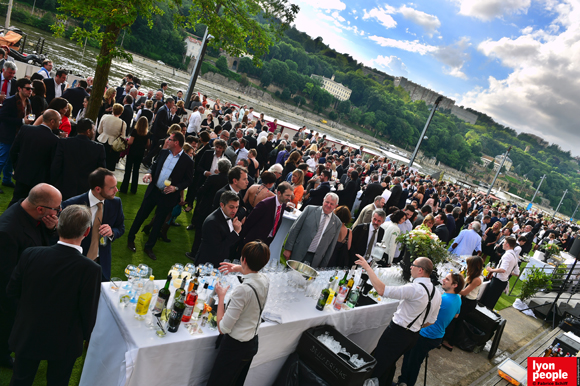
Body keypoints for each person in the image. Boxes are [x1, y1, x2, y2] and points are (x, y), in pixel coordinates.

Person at [7, 205, 101, 386]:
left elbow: (12, 292)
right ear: (87, 231)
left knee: (20, 380)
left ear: (58, 226)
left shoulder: (31, 254)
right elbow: (88, 312)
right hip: (65, 341)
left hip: (28, 332)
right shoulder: (91, 269)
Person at [354, 256, 441, 386]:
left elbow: (382, 290)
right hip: (412, 336)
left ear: (421, 270)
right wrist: (414, 326)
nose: (410, 267)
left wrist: (368, 268)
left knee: (378, 365)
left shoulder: (415, 288)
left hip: (397, 333)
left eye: (414, 265)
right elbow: (431, 321)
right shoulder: (437, 292)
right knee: (390, 363)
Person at [0, 183, 60, 369]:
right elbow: (6, 278)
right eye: (57, 208)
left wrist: (51, 230)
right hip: (13, 295)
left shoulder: (35, 215)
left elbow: (44, 246)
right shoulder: (7, 231)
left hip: (28, 284)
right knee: (7, 325)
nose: (59, 212)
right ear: (40, 208)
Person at [208, 241, 270, 386]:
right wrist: (238, 268)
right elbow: (254, 274)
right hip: (252, 342)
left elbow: (223, 328)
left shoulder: (243, 290)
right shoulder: (265, 279)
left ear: (244, 259)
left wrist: (221, 296)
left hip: (236, 347)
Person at [126, 132, 193, 261]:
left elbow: (189, 180)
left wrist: (176, 187)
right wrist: (149, 173)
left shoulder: (187, 161)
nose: (167, 140)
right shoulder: (163, 152)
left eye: (170, 139)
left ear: (176, 143)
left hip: (168, 196)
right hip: (153, 191)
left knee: (158, 223)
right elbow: (154, 165)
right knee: (141, 215)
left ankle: (149, 247)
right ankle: (130, 239)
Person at [397, 272, 463, 386]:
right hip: (437, 336)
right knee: (414, 360)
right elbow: (456, 315)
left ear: (454, 285)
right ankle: (403, 381)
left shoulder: (443, 299)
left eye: (447, 279)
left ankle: (404, 383)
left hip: (426, 335)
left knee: (411, 362)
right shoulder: (458, 298)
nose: (443, 280)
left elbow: (424, 312)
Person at [62, 168, 125, 280]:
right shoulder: (71, 205)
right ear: (98, 189)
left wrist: (112, 232)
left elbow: (120, 227)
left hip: (102, 263)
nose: (116, 190)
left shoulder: (116, 203)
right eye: (112, 188)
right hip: (76, 262)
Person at [50, 118, 106, 200]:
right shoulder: (98, 148)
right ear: (88, 131)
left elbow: (56, 166)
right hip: (86, 190)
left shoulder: (64, 143)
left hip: (64, 186)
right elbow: (101, 171)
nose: (94, 133)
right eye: (93, 130)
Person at [284, 193, 342, 267]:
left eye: (332, 204)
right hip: (298, 251)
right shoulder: (309, 210)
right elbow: (295, 229)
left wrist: (323, 265)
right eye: (327, 202)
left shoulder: (337, 223)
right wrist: (288, 248)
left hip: (315, 259)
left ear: (336, 206)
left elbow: (331, 246)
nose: (328, 205)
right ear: (323, 200)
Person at [185, 158, 231, 249]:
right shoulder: (229, 181)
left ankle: (194, 251)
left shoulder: (212, 178)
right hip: (219, 209)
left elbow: (201, 190)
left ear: (219, 167)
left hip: (206, 206)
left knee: (200, 230)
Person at [443, 255, 484, 350]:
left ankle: (450, 342)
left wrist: (451, 287)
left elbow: (465, 292)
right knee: (455, 320)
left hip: (468, 302)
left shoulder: (477, 279)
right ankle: (447, 339)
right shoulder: (473, 274)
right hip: (465, 300)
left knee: (456, 321)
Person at [0, 77, 34, 192]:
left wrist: (29, 120)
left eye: (31, 89)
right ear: (19, 88)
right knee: (2, 159)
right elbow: (3, 117)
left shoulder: (28, 102)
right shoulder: (10, 101)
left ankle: (6, 179)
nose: (30, 91)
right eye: (28, 88)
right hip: (8, 134)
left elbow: (28, 115)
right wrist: (22, 121)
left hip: (19, 135)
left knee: (11, 158)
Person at [194, 190, 243, 266]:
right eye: (231, 207)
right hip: (207, 264)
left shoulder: (230, 216)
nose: (234, 210)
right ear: (222, 205)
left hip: (221, 262)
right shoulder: (212, 222)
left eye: (237, 207)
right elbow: (218, 249)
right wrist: (235, 232)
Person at [240, 182, 293, 246]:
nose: (289, 198)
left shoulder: (283, 205)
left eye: (290, 195)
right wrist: (243, 239)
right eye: (287, 195)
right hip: (254, 241)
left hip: (267, 241)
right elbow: (250, 221)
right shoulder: (265, 204)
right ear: (279, 193)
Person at [479, 236, 519, 310]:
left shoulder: (507, 255)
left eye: (504, 243)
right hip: (502, 282)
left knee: (487, 302)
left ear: (507, 244)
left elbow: (503, 269)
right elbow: (516, 273)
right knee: (491, 302)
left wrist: (491, 270)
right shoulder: (514, 256)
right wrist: (508, 271)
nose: (502, 244)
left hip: (497, 281)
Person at [120, 116, 150, 194]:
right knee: (136, 171)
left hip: (132, 152)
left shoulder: (135, 131)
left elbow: (130, 142)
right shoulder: (147, 133)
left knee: (128, 170)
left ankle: (124, 188)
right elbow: (148, 144)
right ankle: (133, 189)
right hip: (140, 153)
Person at [97, 103, 127, 171]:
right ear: (121, 112)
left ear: (112, 110)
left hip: (102, 141)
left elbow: (99, 130)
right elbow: (123, 137)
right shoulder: (122, 123)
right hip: (113, 146)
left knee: (98, 164)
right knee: (108, 167)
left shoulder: (105, 116)